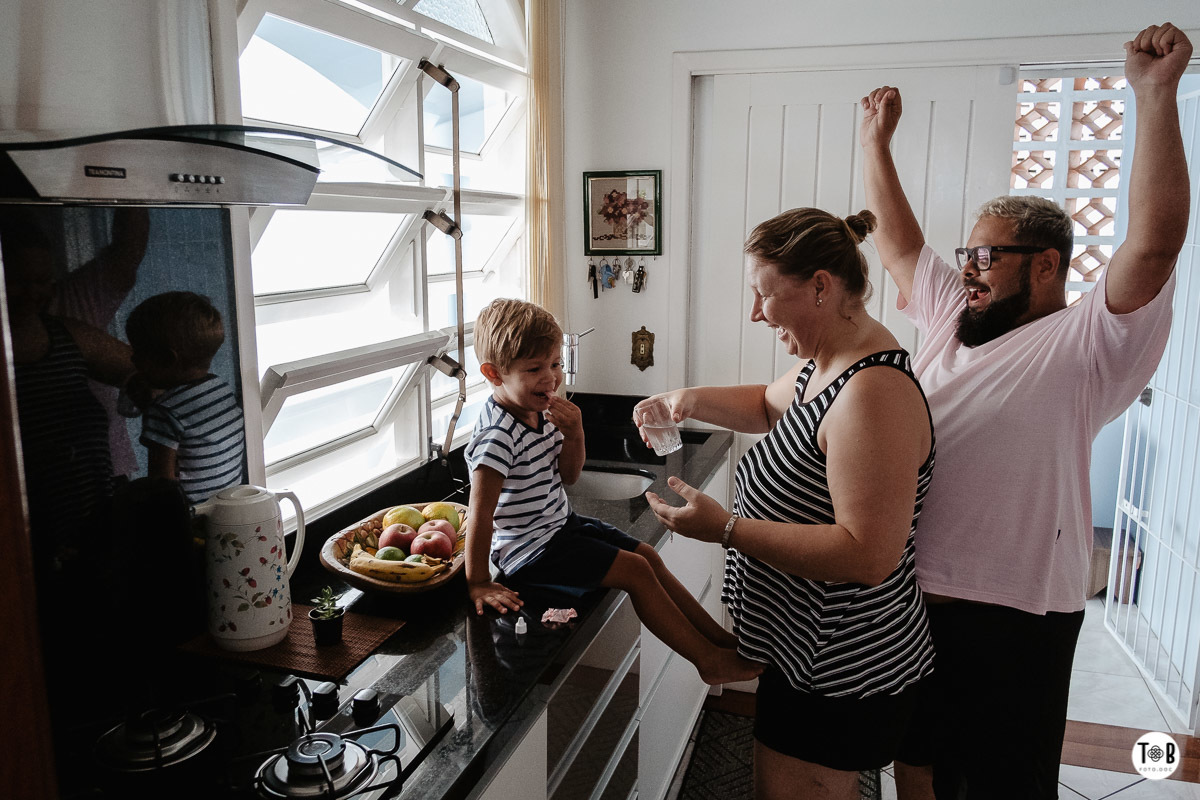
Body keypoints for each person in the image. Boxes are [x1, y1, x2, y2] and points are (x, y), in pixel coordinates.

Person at [858, 22, 1191, 800]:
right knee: (919, 762)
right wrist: (875, 143)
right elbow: (899, 242)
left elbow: (1154, 243)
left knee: (1005, 781)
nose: (966, 267)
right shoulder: (952, 315)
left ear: (1045, 264)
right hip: (916, 594)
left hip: (1019, 611)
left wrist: (1154, 97)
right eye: (968, 251)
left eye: (986, 256)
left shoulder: (1087, 340)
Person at [639, 208, 936, 798]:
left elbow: (867, 554)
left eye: (763, 295)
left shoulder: (871, 393)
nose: (756, 313)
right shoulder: (822, 365)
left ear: (820, 287)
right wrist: (686, 399)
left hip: (845, 669)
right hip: (809, 655)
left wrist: (726, 529)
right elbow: (763, 404)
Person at [463, 298, 763, 686]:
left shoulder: (543, 411)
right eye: (534, 369)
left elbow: (568, 476)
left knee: (648, 556)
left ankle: (719, 639)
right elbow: (480, 514)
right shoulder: (497, 437)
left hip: (559, 528)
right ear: (494, 373)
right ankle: (707, 660)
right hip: (529, 553)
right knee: (635, 570)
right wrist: (478, 582)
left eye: (554, 364)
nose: (550, 378)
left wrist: (575, 433)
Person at [124, 291, 246, 506]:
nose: (132, 359)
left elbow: (161, 483)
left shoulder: (164, 411)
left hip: (191, 518)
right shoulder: (221, 389)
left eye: (138, 352)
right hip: (229, 505)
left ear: (167, 359)